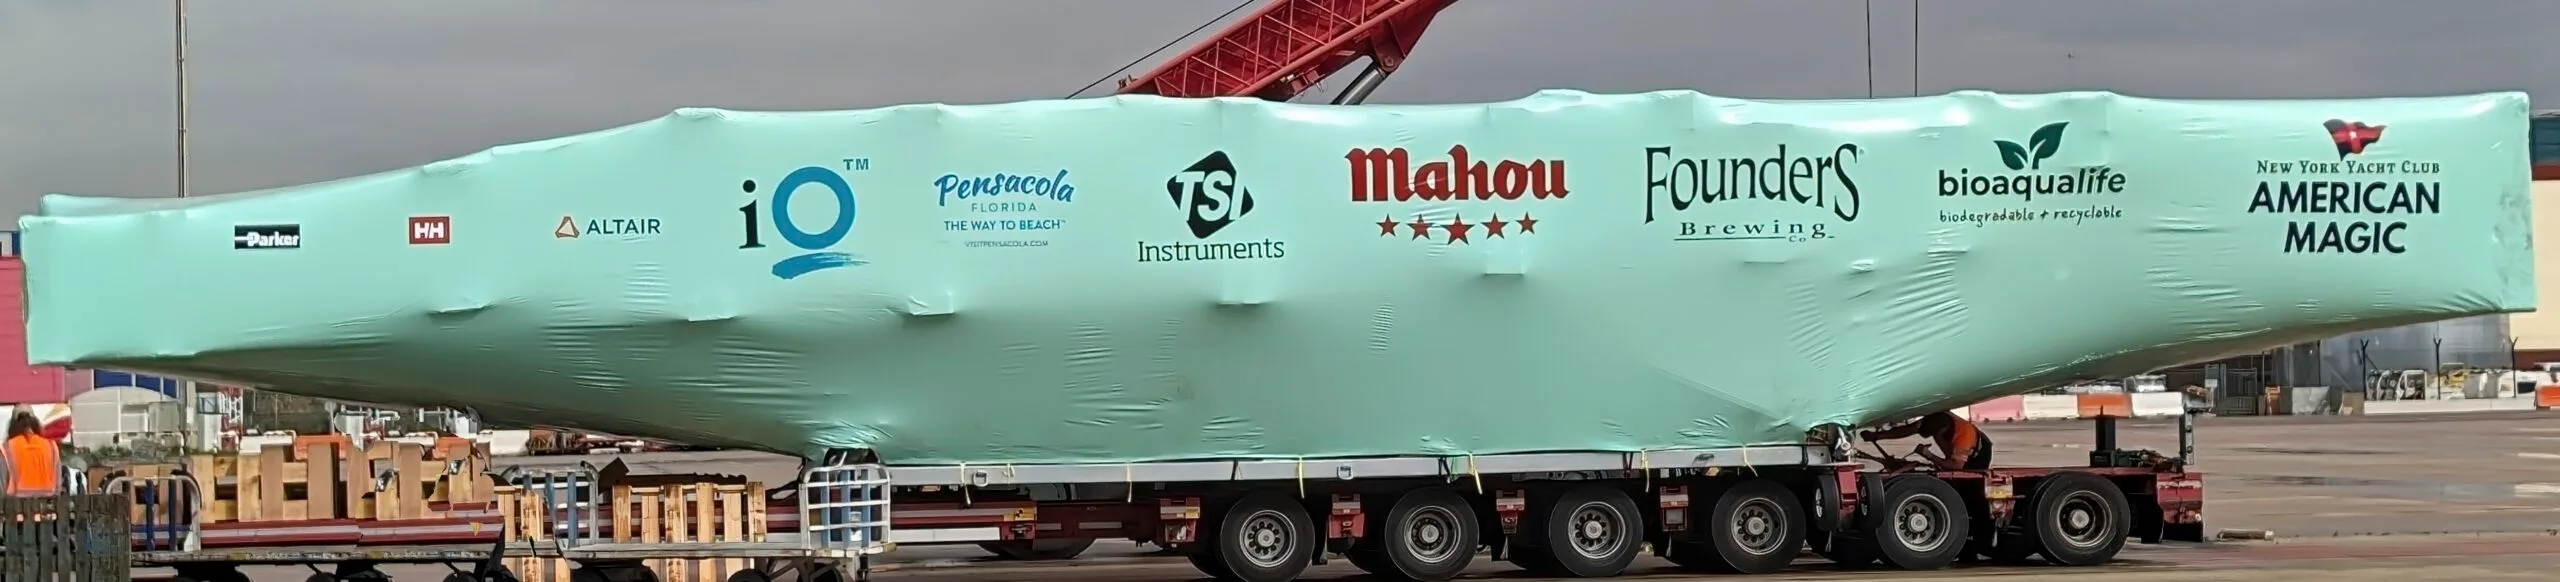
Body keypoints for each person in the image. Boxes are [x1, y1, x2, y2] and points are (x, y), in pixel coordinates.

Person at [1860, 411, 1992, 471]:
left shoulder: (1964, 435)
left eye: (1935, 435)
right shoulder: (1935, 418)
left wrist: (1929, 455)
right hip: (1952, 440)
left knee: (1958, 473)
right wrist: (1876, 436)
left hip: (1978, 456)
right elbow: (1907, 430)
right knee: (1947, 459)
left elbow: (1957, 466)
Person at [4, 411, 60, 496]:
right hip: (47, 500)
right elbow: (58, 482)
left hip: (15, 501)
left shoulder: (7, 447)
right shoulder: (51, 445)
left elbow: (2, 481)